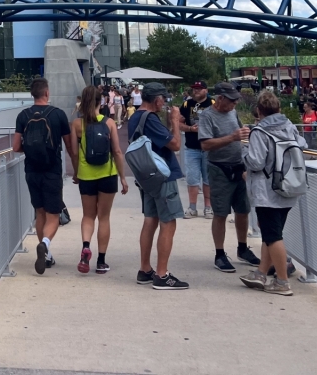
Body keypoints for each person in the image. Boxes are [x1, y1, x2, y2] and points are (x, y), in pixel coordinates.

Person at [240, 91, 308, 296]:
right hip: (289, 186)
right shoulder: (289, 126)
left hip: (266, 191)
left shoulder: (260, 132)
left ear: (259, 111)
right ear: (278, 109)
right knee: (271, 234)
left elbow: (256, 162)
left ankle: (282, 281)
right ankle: (261, 272)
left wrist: (243, 152)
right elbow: (302, 145)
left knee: (273, 236)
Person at [12, 77, 74, 275]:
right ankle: (45, 244)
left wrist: (30, 151)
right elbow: (69, 145)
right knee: (53, 215)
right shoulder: (58, 115)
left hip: (31, 170)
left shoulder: (23, 115)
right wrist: (76, 166)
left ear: (33, 94)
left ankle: (46, 256)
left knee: (39, 212)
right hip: (52, 170)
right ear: (46, 93)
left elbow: (15, 147)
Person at [130, 82, 187, 289]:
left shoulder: (135, 117)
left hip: (147, 177)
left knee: (150, 220)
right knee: (168, 222)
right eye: (163, 98)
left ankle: (145, 269)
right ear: (156, 99)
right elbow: (176, 145)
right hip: (163, 175)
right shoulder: (151, 119)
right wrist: (174, 122)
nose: (164, 103)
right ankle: (162, 275)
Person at [198, 82, 260, 273]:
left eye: (236, 100)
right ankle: (220, 254)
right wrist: (232, 138)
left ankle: (242, 248)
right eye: (231, 100)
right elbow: (206, 145)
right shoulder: (207, 116)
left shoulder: (233, 113)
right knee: (220, 213)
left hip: (239, 166)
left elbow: (240, 132)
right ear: (221, 98)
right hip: (219, 169)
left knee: (243, 210)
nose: (234, 104)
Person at [70, 85, 129, 275]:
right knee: (104, 217)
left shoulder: (77, 125)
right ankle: (101, 261)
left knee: (88, 216)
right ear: (100, 101)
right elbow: (118, 152)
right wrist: (122, 177)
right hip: (108, 175)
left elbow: (74, 153)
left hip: (86, 176)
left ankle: (86, 247)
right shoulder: (109, 123)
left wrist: (77, 173)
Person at [180, 80, 213, 219]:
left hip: (209, 147)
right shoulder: (187, 104)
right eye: (194, 89)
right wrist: (189, 129)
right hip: (192, 147)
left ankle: (208, 207)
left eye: (199, 89)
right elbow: (179, 122)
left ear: (205, 90)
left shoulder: (213, 104)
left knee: (208, 179)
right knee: (192, 179)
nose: (196, 91)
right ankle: (192, 207)